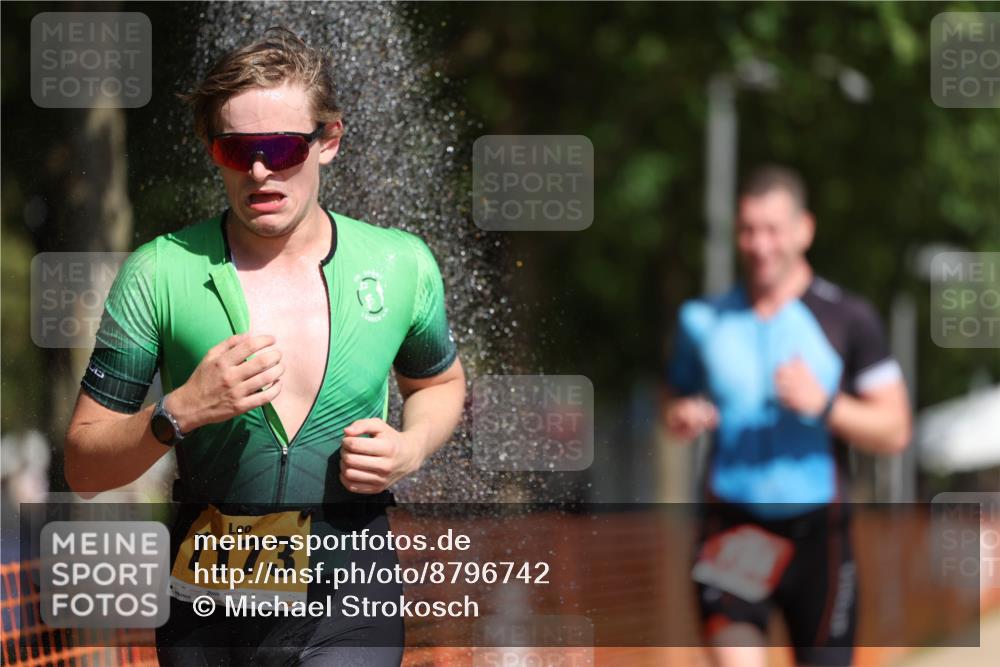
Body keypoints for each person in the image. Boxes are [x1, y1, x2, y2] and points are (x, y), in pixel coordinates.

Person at [63, 28, 465, 666]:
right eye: (235, 150)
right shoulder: (158, 272)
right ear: (212, 150)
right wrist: (179, 413)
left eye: (281, 148)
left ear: (328, 140)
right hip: (207, 606)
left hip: (350, 595)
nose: (259, 171)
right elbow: (83, 467)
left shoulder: (399, 264)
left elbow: (437, 384)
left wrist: (409, 446)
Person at [662, 165, 911, 667]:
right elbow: (673, 399)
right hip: (735, 531)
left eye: (773, 229)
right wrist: (682, 414)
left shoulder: (848, 319)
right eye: (748, 229)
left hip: (820, 538)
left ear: (804, 230)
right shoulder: (703, 320)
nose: (759, 244)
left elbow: (895, 430)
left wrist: (824, 404)